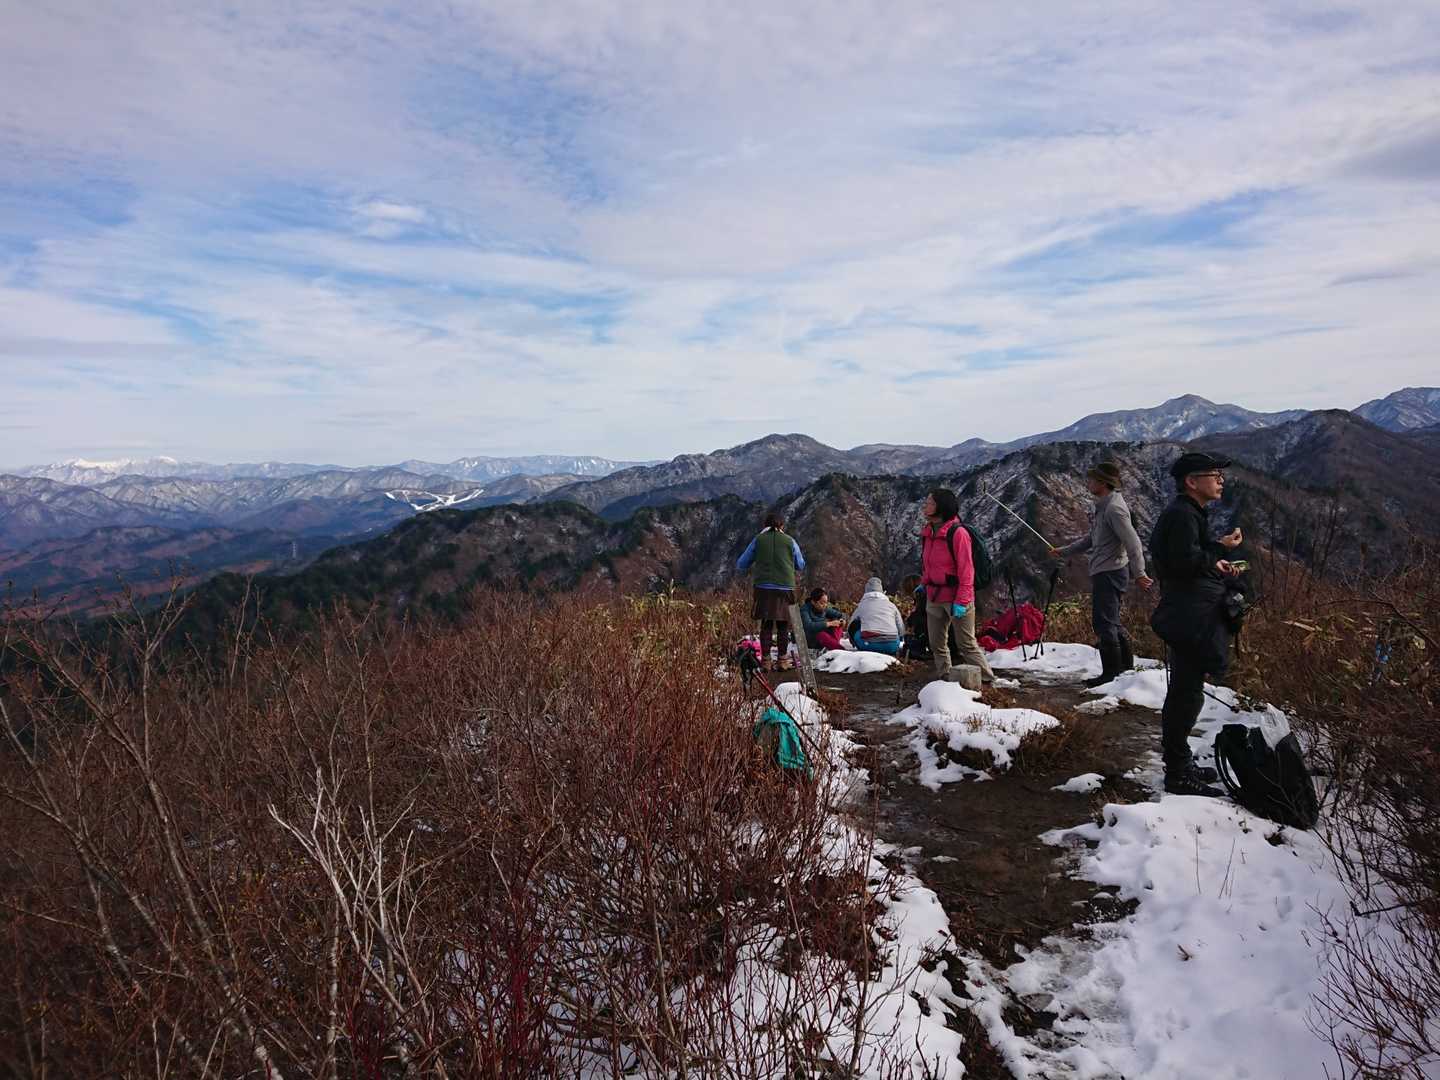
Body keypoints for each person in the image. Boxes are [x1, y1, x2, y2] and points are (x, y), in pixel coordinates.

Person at [1148, 452, 1245, 797]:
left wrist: (1217, 557)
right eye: (1214, 475)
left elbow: (1188, 559)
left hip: (1189, 611)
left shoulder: (1189, 513)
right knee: (1185, 695)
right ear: (1191, 481)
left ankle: (1181, 762)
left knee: (1187, 691)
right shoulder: (1183, 515)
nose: (1221, 480)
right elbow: (1184, 564)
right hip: (1189, 615)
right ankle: (1177, 773)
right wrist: (1218, 550)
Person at [1048, 461, 1154, 688]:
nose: (1088, 483)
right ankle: (1123, 671)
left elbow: (1133, 543)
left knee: (1104, 623)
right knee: (1111, 621)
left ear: (1103, 483)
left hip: (1110, 572)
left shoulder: (1114, 509)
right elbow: (1092, 539)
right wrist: (1065, 551)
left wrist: (1140, 573)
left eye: (1092, 479)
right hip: (1108, 571)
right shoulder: (1105, 507)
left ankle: (1112, 675)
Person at [920, 488, 996, 683]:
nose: (925, 505)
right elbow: (928, 563)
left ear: (941, 507)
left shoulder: (957, 533)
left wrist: (962, 601)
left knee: (966, 644)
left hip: (956, 596)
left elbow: (966, 570)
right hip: (934, 595)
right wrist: (924, 583)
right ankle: (945, 678)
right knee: (936, 643)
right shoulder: (928, 532)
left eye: (930, 502)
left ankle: (987, 680)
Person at [736, 512, 806, 669]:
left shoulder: (758, 540)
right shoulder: (790, 541)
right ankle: (783, 660)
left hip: (763, 587)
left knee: (766, 624)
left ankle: (766, 661)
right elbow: (800, 565)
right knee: (783, 625)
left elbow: (741, 563)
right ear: (782, 526)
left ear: (765, 525)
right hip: (786, 587)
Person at [848, 576, 906, 655]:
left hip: (869, 645)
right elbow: (901, 627)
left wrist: (851, 639)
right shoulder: (891, 605)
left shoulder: (862, 605)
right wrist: (900, 638)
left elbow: (850, 626)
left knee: (856, 627)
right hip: (892, 645)